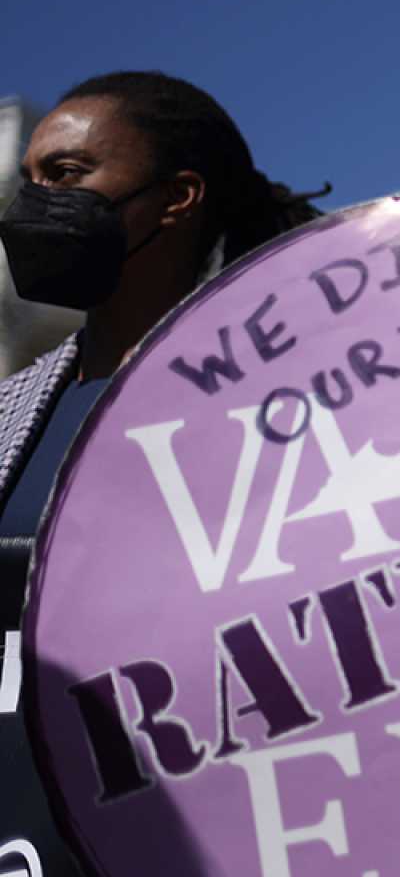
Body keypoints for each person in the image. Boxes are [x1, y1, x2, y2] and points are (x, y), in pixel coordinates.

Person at [0, 70, 325, 876]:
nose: (32, 207)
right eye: (28, 181)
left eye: (68, 178)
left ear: (177, 197)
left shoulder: (292, 406)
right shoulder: (13, 417)